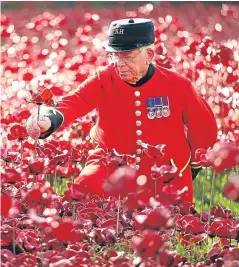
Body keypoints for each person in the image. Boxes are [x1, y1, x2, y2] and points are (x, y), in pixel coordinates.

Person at [26, 18, 218, 203]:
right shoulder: (104, 79)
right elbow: (76, 100)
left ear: (149, 55)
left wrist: (194, 164)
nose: (118, 64)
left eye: (127, 56)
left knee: (171, 224)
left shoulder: (178, 85)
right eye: (114, 56)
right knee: (80, 196)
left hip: (165, 168)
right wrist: (47, 119)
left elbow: (203, 127)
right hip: (110, 163)